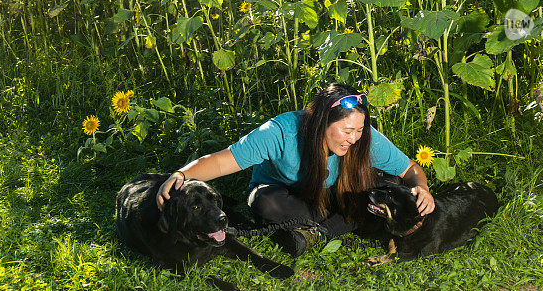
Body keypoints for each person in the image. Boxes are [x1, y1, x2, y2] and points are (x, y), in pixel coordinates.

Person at [156, 82, 435, 256]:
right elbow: (221, 160)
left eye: (359, 130)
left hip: (330, 196)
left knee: (375, 189)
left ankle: (312, 232)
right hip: (284, 195)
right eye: (347, 130)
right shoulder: (280, 132)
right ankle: (328, 225)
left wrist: (421, 187)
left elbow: (410, 168)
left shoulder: (364, 139)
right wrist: (182, 174)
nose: (354, 138)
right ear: (322, 122)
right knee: (263, 202)